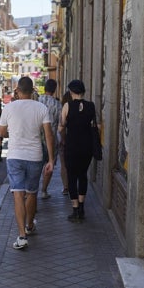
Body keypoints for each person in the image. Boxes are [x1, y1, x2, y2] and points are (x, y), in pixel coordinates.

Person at [0, 76, 54, 250]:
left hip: (15, 155)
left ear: (17, 90)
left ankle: (22, 236)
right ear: (32, 90)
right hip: (35, 156)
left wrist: (13, 134)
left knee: (17, 194)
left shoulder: (9, 107)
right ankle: (30, 225)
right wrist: (51, 160)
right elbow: (48, 135)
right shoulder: (41, 108)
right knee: (31, 193)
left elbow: (1, 132)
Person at [59, 80, 97, 222]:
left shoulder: (67, 106)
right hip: (87, 146)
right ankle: (82, 207)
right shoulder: (91, 106)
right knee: (83, 175)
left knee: (72, 176)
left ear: (71, 92)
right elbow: (95, 125)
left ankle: (75, 210)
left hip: (72, 146)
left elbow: (61, 126)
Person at [38, 79, 62, 199]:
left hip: (37, 139)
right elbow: (61, 125)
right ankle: (43, 190)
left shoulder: (37, 101)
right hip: (52, 140)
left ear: (45, 88)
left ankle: (32, 191)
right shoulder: (58, 105)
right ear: (55, 89)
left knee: (36, 165)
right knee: (50, 164)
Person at [59, 90, 73, 196]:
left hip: (64, 141)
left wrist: (63, 140)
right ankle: (72, 184)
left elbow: (62, 128)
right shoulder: (77, 109)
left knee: (64, 164)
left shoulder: (62, 110)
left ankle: (66, 187)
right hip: (75, 141)